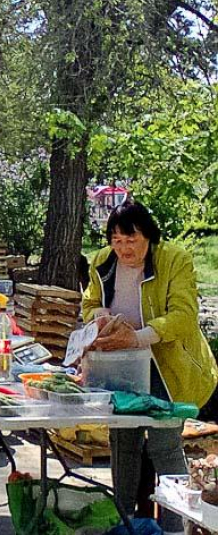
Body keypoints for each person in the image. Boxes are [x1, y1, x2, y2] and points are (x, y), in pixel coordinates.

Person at [83, 201, 218, 535]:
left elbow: (184, 317)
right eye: (116, 240)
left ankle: (178, 527)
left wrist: (139, 337)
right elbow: (88, 303)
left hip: (167, 370)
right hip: (121, 369)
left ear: (149, 236)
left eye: (132, 240)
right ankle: (124, 522)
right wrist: (98, 317)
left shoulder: (175, 260)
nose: (124, 248)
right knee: (122, 443)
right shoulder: (102, 262)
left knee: (163, 445)